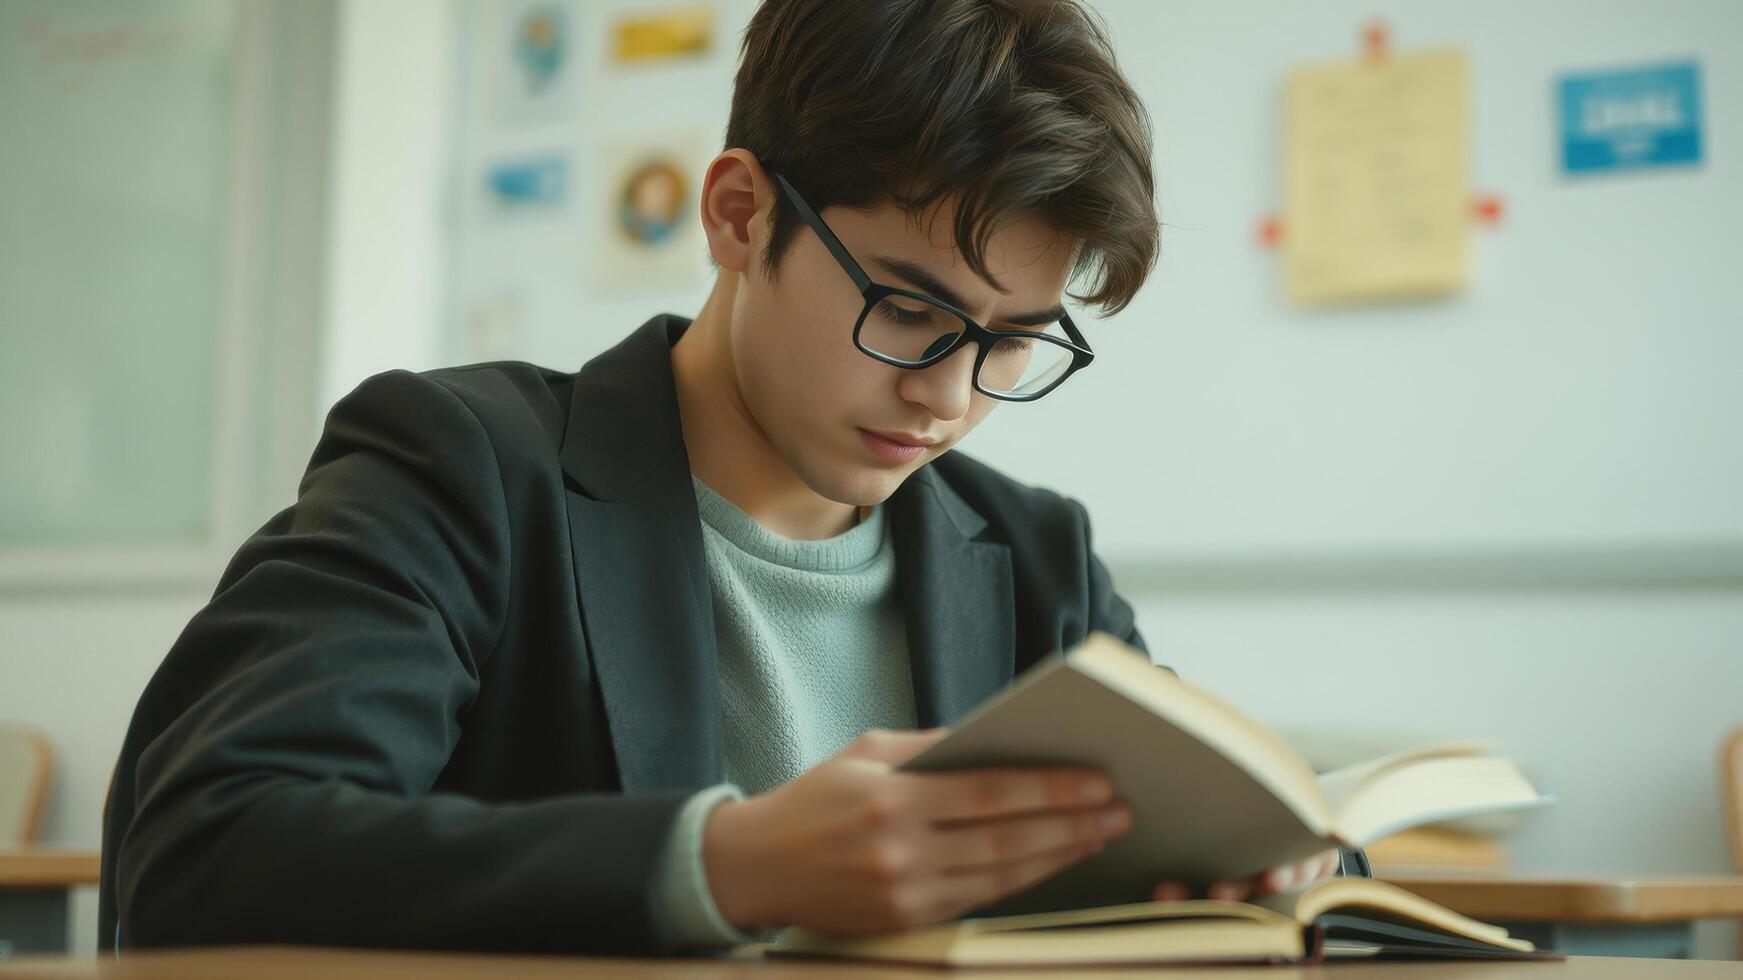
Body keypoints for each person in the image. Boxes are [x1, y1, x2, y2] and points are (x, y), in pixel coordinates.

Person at [99, 0, 1353, 956]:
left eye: (1012, 338)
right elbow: (207, 851)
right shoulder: (463, 467)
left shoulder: (1034, 558)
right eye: (912, 311)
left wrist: (1269, 865)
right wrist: (726, 861)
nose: (952, 396)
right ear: (741, 214)